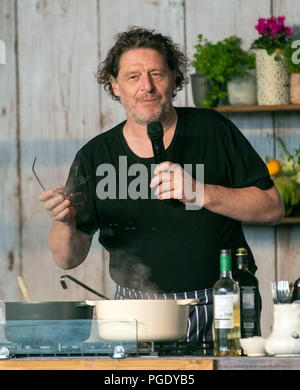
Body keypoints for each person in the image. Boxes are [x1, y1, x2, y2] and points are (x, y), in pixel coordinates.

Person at [38, 27, 284, 350]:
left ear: (174, 78)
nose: (147, 87)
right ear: (114, 85)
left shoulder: (212, 130)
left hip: (220, 307)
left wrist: (201, 192)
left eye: (156, 74)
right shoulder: (95, 157)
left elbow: (272, 208)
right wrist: (65, 221)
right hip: (136, 316)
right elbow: (66, 258)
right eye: (133, 76)